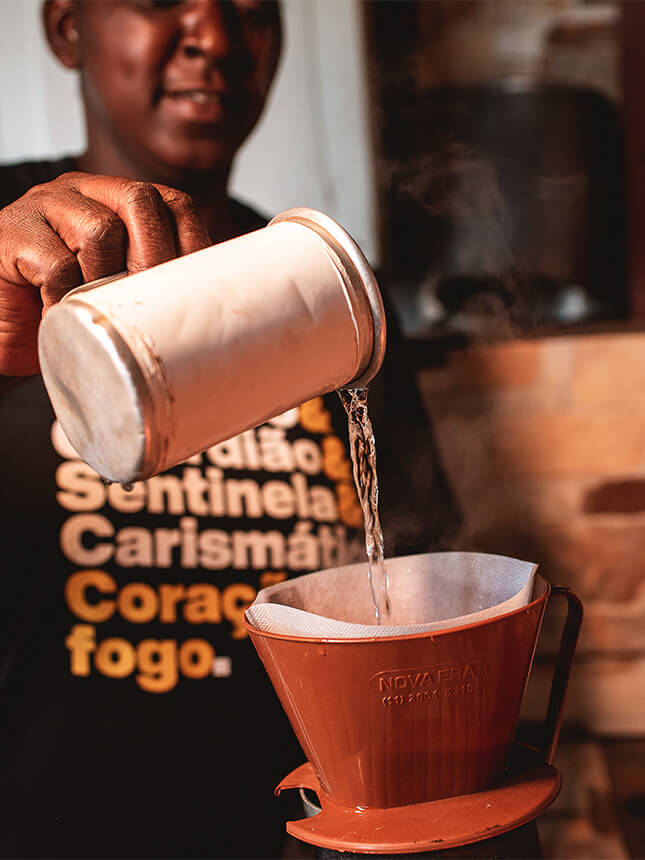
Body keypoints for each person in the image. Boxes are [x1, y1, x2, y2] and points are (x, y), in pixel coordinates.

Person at [0, 2, 459, 857]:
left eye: (252, 12)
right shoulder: (5, 244)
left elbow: (406, 570)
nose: (215, 37)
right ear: (67, 29)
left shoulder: (326, 292)